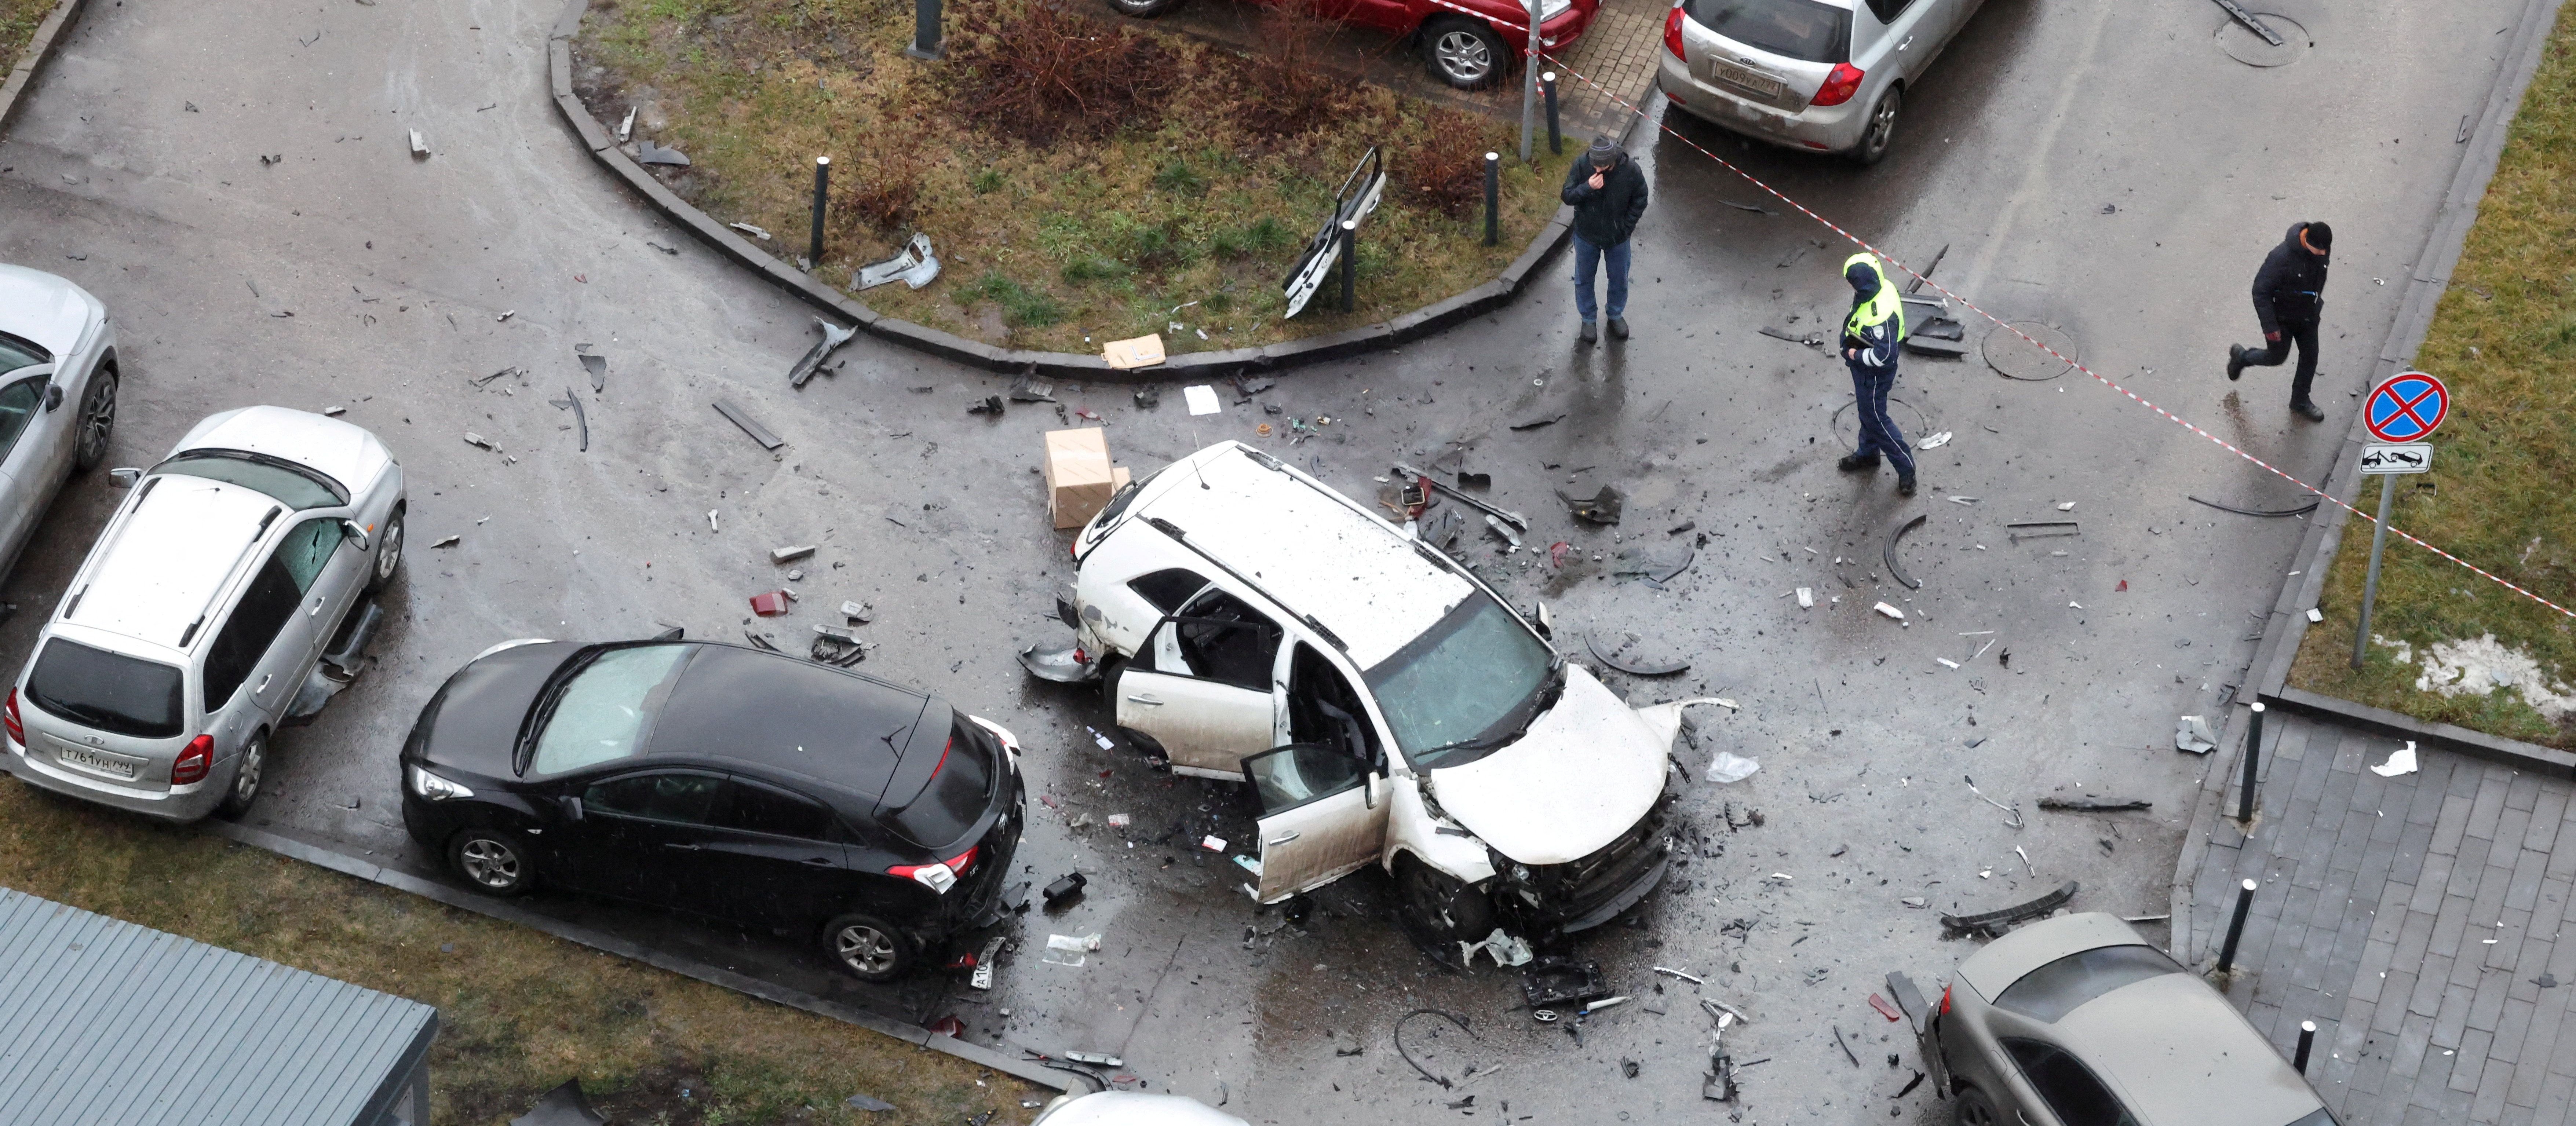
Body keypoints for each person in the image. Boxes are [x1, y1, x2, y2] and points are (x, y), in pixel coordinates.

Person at [2226, 220, 2332, 422]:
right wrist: (2270, 326)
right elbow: (2260, 291)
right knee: (2277, 357)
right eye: (2318, 250)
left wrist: (2314, 303)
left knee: (2310, 357)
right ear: (2307, 241)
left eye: (2324, 250)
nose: (2322, 254)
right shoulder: (2280, 258)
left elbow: (2319, 278)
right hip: (2282, 319)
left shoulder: (2322, 248)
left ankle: (2300, 400)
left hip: (2308, 316)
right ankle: (2242, 358)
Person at [1837, 252, 1913, 496]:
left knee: (1876, 420)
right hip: (1863, 371)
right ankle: (1868, 454)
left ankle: (1906, 468)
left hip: (1874, 373)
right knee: (1867, 413)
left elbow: (1884, 357)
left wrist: (1854, 356)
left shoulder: (1881, 315)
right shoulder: (1877, 288)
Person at [1560, 135, 1648, 344]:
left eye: (1603, 167)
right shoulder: (1583, 165)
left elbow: (1641, 198)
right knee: (1584, 279)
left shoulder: (1631, 170)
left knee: (1619, 278)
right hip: (1587, 235)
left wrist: (1626, 228)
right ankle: (1588, 318)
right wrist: (1587, 187)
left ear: (1613, 160)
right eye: (1595, 166)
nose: (1598, 171)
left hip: (1617, 238)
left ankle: (1615, 314)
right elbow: (1567, 196)